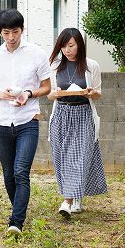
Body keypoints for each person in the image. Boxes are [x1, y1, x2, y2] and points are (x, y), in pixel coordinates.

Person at [0, 9, 52, 237]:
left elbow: (47, 87)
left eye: (15, 31)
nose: (11, 37)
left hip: (27, 120)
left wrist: (28, 94)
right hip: (1, 121)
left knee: (21, 171)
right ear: (0, 32)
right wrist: (1, 95)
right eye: (6, 32)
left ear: (22, 30)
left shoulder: (36, 54)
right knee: (8, 174)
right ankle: (18, 209)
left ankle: (16, 221)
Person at [47, 28, 107, 218]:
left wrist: (90, 92)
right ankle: (77, 194)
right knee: (62, 158)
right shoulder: (55, 66)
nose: (67, 50)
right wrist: (55, 94)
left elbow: (98, 93)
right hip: (62, 114)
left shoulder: (91, 66)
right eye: (63, 46)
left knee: (80, 157)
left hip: (83, 114)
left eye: (71, 45)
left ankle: (68, 201)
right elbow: (50, 95)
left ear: (79, 44)